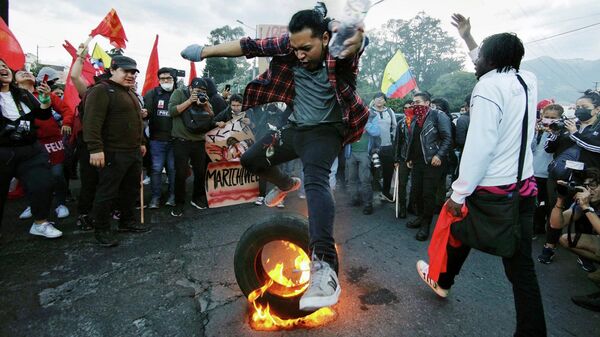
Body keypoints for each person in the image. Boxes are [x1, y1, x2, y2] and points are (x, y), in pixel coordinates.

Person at [181, 6, 368, 310]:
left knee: (317, 181)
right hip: (294, 129)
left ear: (324, 38)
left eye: (307, 48)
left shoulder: (338, 53)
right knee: (251, 160)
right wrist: (204, 51)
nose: (301, 55)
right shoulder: (289, 46)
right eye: (296, 49)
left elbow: (355, 45)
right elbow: (248, 46)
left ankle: (324, 268)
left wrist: (357, 36)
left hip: (326, 133)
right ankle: (286, 183)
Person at [417, 14, 547, 336]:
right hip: (524, 185)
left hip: (491, 188)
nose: (475, 64)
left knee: (465, 231)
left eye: (480, 58)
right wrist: (468, 38)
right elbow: (492, 63)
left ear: (491, 61)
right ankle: (443, 281)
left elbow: (480, 147)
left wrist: (458, 194)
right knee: (512, 261)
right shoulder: (526, 80)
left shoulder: (487, 88)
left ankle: (443, 280)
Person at [83, 55, 149, 247]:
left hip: (133, 151)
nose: (130, 75)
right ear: (112, 70)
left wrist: (141, 142)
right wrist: (95, 148)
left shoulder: (129, 93)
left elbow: (137, 121)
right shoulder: (101, 91)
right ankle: (102, 229)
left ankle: (126, 222)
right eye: (125, 71)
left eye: (133, 72)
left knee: (130, 190)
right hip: (112, 152)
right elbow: (92, 122)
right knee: (107, 192)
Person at [0, 59, 62, 238]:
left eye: (4, 66)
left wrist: (45, 101)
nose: (3, 69)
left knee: (42, 184)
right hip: (2, 152)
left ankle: (40, 223)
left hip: (30, 149)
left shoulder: (22, 94)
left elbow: (42, 114)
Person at [538, 90, 600, 264]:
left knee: (585, 212)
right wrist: (555, 133)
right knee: (555, 208)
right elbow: (549, 149)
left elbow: (595, 147)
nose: (580, 110)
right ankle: (549, 246)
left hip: (588, 179)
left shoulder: (596, 128)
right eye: (578, 106)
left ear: (597, 110)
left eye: (585, 107)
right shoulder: (570, 125)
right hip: (560, 176)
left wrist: (574, 134)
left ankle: (584, 252)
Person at [14, 68, 74, 220]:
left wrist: (66, 123)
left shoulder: (47, 95)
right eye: (21, 73)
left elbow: (66, 110)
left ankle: (61, 203)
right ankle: (33, 205)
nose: (26, 73)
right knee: (29, 177)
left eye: (29, 72)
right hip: (27, 144)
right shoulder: (10, 98)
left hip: (52, 142)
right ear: (15, 81)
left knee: (57, 174)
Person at [550, 167, 600, 311]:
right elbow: (556, 224)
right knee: (566, 239)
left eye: (593, 186)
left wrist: (586, 207)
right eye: (585, 186)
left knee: (596, 277)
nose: (589, 191)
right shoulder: (587, 201)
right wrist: (560, 200)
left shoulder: (586, 204)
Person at [404, 92, 452, 241]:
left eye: (417, 101)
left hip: (433, 162)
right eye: (413, 102)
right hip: (417, 162)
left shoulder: (438, 115)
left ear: (427, 103)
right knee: (416, 192)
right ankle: (419, 217)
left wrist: (439, 155)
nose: (414, 104)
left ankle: (426, 225)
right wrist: (409, 157)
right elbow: (412, 140)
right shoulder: (415, 118)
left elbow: (448, 137)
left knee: (428, 194)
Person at [167, 77, 213, 217]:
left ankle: (197, 198)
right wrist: (189, 101)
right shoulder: (179, 93)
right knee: (180, 173)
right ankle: (179, 202)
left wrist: (204, 104)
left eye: (203, 90)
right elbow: (172, 111)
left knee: (200, 172)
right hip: (181, 140)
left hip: (199, 141)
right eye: (198, 90)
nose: (200, 92)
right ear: (190, 88)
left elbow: (211, 114)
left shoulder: (204, 97)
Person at [144, 67, 178, 209]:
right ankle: (155, 197)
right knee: (156, 169)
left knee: (172, 169)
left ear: (174, 79)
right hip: (157, 139)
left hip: (175, 140)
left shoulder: (179, 93)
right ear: (159, 80)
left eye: (168, 78)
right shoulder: (152, 93)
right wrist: (144, 113)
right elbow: (148, 112)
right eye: (162, 79)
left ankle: (172, 196)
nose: (165, 81)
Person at [345, 110, 380, 215]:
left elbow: (376, 132)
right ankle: (354, 199)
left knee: (365, 180)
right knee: (351, 179)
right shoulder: (349, 118)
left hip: (365, 153)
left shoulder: (372, 118)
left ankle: (368, 204)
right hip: (351, 153)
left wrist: (365, 122)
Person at [370, 92, 397, 202]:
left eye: (381, 99)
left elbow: (394, 127)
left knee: (388, 171)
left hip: (387, 146)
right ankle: (370, 195)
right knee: (371, 171)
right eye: (377, 98)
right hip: (373, 148)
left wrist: (394, 143)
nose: (379, 100)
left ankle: (385, 192)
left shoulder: (390, 112)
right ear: (374, 100)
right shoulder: (369, 112)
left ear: (385, 101)